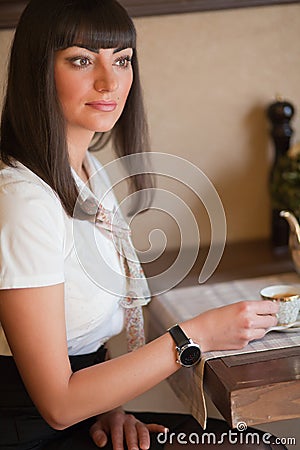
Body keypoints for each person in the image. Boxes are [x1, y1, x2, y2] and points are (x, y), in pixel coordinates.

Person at [0, 1, 285, 449]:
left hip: (85, 414)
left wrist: (109, 407)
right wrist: (197, 335)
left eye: (122, 60)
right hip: (27, 428)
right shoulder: (22, 201)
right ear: (38, 70)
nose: (109, 81)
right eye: (81, 60)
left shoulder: (90, 169)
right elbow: (57, 404)